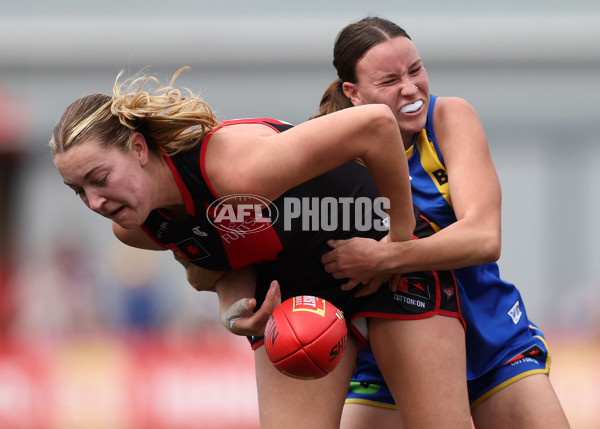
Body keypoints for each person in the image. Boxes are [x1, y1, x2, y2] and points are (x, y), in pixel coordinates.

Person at [49, 68, 472, 429]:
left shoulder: (235, 167)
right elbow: (218, 262)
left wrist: (397, 245)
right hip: (297, 300)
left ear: (139, 149)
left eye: (99, 177)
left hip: (383, 261)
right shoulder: (136, 229)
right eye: (78, 191)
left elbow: (377, 123)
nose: (95, 202)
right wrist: (236, 311)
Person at [315, 16, 570, 428]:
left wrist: (386, 258)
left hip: (491, 341)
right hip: (390, 356)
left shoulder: (449, 117)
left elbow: (484, 237)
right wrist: (241, 305)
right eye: (389, 80)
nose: (411, 88)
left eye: (415, 70)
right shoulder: (332, 152)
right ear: (353, 92)